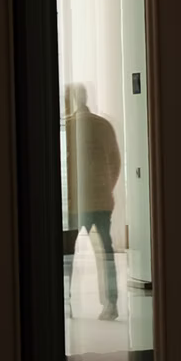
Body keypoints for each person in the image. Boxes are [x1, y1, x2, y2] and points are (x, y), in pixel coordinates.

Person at [64, 83, 122, 322]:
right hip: (101, 200)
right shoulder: (103, 126)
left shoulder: (68, 127)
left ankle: (65, 303)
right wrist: (107, 187)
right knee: (106, 254)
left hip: (76, 202)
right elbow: (115, 161)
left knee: (67, 255)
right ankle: (110, 304)